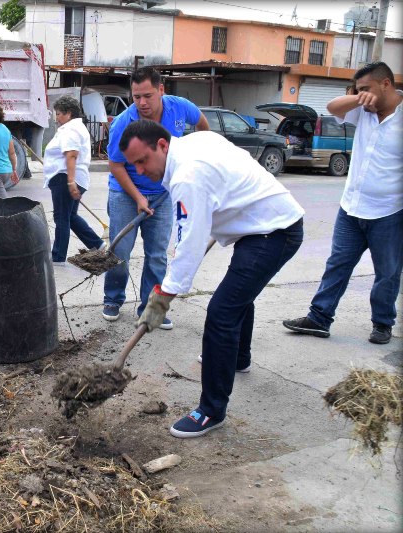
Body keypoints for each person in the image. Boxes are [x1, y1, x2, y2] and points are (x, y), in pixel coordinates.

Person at [122, 120, 304, 438]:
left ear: (162, 146)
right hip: (259, 224)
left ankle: (211, 410)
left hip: (275, 231)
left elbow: (189, 244)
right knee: (237, 295)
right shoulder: (193, 143)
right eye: (133, 164)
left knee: (222, 312)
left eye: (142, 161)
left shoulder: (187, 175)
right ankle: (239, 358)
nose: (139, 171)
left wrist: (163, 297)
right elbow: (196, 221)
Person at [283, 61, 402, 345]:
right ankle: (319, 318)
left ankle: (382, 323)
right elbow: (334, 106)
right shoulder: (364, 111)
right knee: (337, 264)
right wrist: (359, 96)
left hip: (390, 212)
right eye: (357, 90)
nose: (361, 95)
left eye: (366, 88)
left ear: (386, 84)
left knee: (387, 272)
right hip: (351, 207)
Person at [102, 66, 209, 326]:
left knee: (157, 254)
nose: (141, 102)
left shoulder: (180, 108)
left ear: (161, 90)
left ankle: (149, 310)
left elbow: (202, 123)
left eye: (147, 95)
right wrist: (138, 197)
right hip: (126, 193)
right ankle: (113, 298)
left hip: (163, 194)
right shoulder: (124, 123)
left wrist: (200, 151)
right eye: (136, 96)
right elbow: (116, 165)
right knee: (120, 251)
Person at [43, 95, 104, 264]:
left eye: (59, 114)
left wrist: (70, 181)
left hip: (65, 177)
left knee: (61, 217)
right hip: (70, 177)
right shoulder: (76, 127)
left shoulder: (70, 129)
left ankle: (58, 256)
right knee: (70, 216)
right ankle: (97, 244)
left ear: (68, 114)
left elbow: (71, 154)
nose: (57, 118)